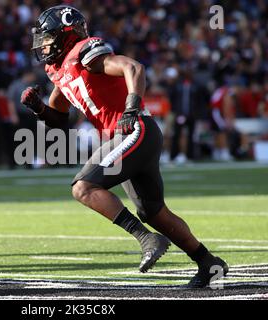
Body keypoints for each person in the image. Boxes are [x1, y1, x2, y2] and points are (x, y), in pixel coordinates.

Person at [21, 5, 228, 288]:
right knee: (153, 211)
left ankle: (146, 239)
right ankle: (208, 261)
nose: (43, 45)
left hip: (133, 128)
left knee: (83, 187)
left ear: (65, 34)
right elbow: (59, 119)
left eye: (47, 37)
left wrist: (131, 108)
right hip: (125, 136)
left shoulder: (85, 52)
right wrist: (39, 110)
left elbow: (133, 67)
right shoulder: (58, 70)